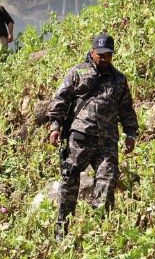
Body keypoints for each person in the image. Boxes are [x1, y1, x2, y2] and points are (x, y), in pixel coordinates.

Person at [47, 33, 138, 240]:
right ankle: (62, 232)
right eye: (101, 55)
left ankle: (99, 234)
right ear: (92, 52)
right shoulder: (78, 72)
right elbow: (61, 99)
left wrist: (130, 133)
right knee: (69, 182)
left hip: (107, 141)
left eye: (108, 55)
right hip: (80, 137)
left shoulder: (119, 79)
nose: (105, 58)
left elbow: (126, 108)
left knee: (107, 181)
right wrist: (55, 126)